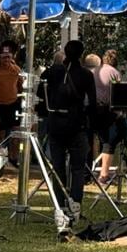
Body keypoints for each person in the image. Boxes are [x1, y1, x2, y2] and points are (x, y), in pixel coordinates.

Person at [41, 40, 97, 235]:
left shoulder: (53, 71)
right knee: (78, 168)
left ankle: (59, 205)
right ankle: (75, 205)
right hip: (76, 125)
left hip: (55, 123)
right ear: (82, 54)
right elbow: (93, 101)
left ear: (65, 53)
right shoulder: (86, 75)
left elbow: (42, 91)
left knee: (57, 168)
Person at [94, 50, 126, 185]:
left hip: (93, 110)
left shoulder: (95, 71)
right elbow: (118, 95)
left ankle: (91, 170)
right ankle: (104, 174)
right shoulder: (115, 73)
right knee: (110, 142)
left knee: (100, 139)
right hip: (108, 111)